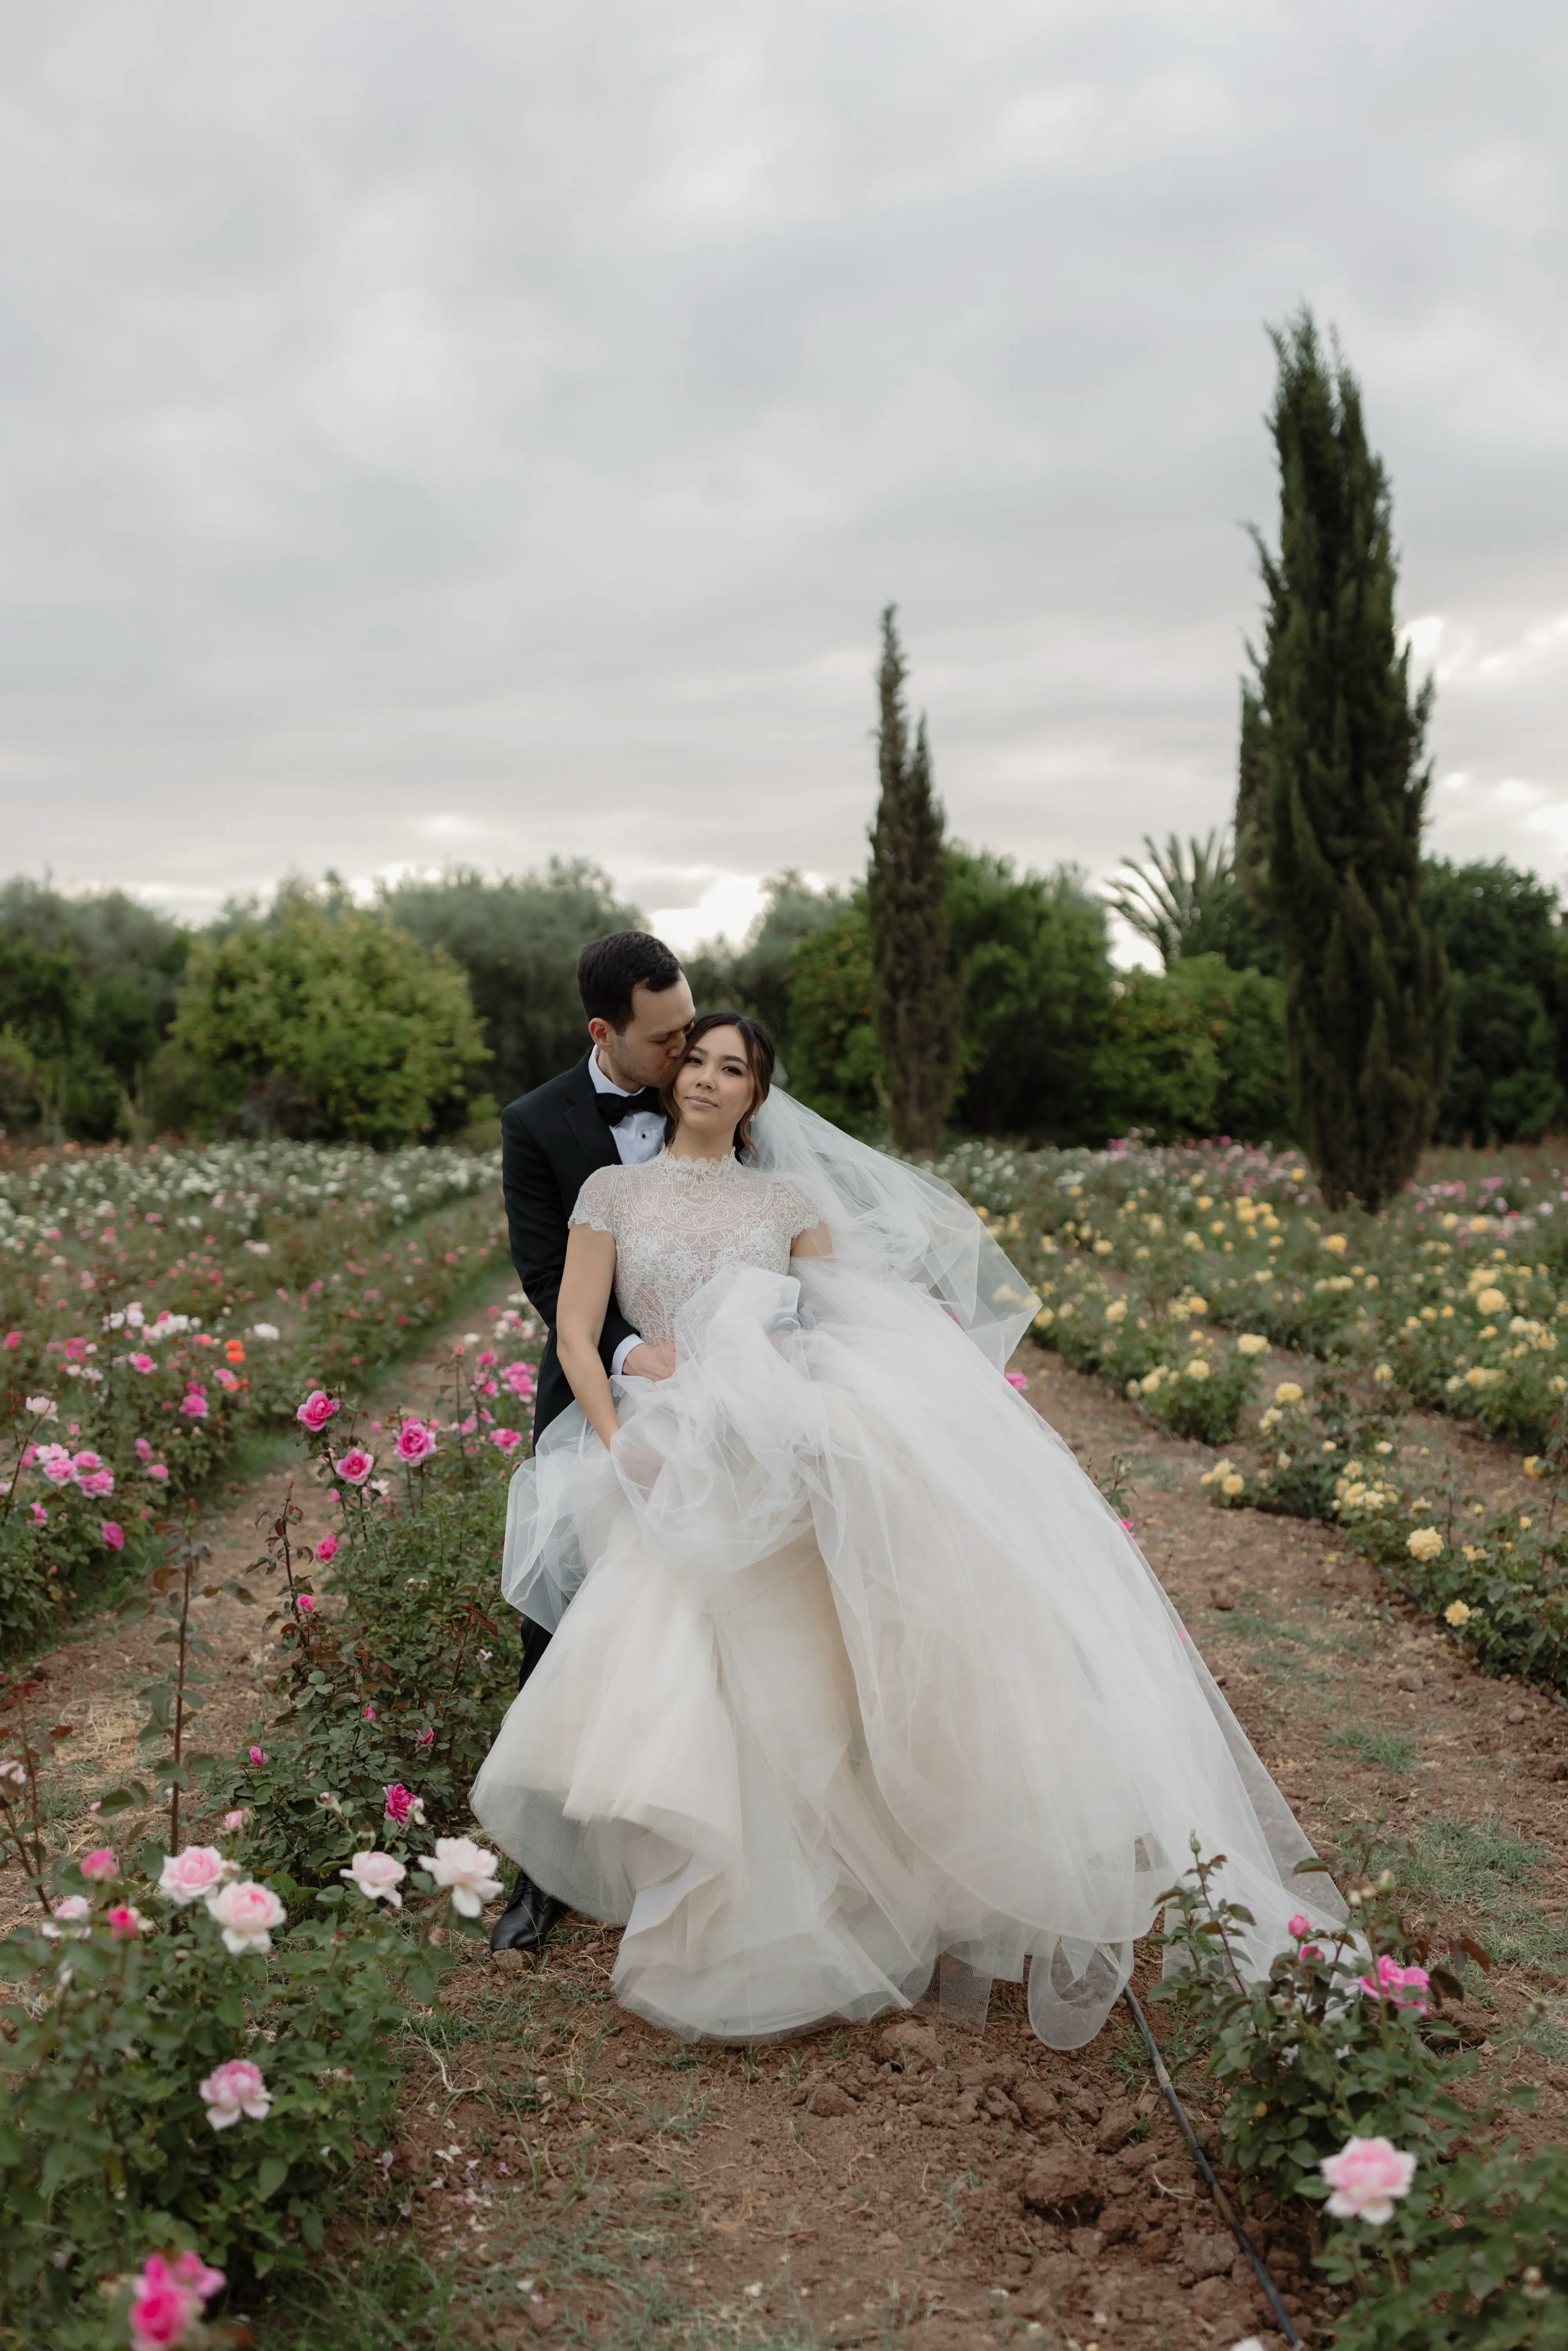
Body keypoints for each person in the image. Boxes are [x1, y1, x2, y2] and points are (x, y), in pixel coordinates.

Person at [472, 1011, 1346, 2048]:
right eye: (696, 1061)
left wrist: (794, 1407)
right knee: (683, 1662)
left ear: (759, 1096)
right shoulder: (610, 1191)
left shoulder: (789, 1200)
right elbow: (576, 1329)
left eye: (733, 1068)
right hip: (660, 1445)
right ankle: (706, 1890)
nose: (708, 1078)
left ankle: (828, 1889)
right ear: (672, 1078)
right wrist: (621, 1440)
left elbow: (834, 1326)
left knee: (797, 1670)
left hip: (769, 1441)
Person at [488, 930, 694, 1954]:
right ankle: (545, 1866)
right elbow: (544, 1276)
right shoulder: (537, 1125)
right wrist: (635, 1360)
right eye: (665, 1039)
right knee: (559, 1609)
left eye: (693, 1027)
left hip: (725, 1382)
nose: (686, 1052)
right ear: (603, 1033)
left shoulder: (715, 1088)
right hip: (595, 1380)